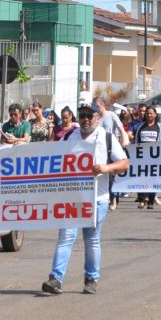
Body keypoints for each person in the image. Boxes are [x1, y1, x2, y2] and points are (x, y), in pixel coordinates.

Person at [42, 105, 129, 296]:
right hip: (72, 198)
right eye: (82, 115)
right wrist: (20, 149)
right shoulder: (69, 137)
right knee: (65, 237)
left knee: (91, 240)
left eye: (90, 115)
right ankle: (55, 278)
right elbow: (49, 156)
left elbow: (124, 164)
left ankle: (91, 279)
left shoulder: (106, 137)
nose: (86, 119)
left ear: (98, 118)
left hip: (97, 198)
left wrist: (105, 169)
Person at [94, 97, 129, 210]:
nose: (96, 109)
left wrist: (123, 145)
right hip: (99, 149)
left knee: (111, 175)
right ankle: (107, 197)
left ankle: (113, 198)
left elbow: (121, 130)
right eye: (94, 107)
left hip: (111, 147)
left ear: (103, 104)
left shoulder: (111, 115)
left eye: (98, 106)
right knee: (102, 174)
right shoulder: (95, 118)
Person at [134, 107, 161, 209]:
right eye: (147, 113)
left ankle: (151, 201)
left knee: (153, 179)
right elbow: (136, 142)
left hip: (155, 158)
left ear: (155, 114)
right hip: (142, 157)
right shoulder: (140, 127)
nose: (149, 115)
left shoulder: (159, 127)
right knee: (141, 178)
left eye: (151, 113)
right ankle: (142, 199)